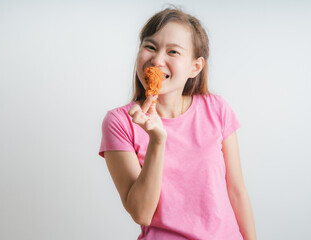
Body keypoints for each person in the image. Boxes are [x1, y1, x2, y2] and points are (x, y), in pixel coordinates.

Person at [98, 6, 257, 240]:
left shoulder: (217, 109)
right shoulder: (120, 122)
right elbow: (141, 213)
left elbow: (237, 192)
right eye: (150, 47)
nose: (157, 60)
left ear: (195, 67)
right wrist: (157, 140)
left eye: (173, 52)